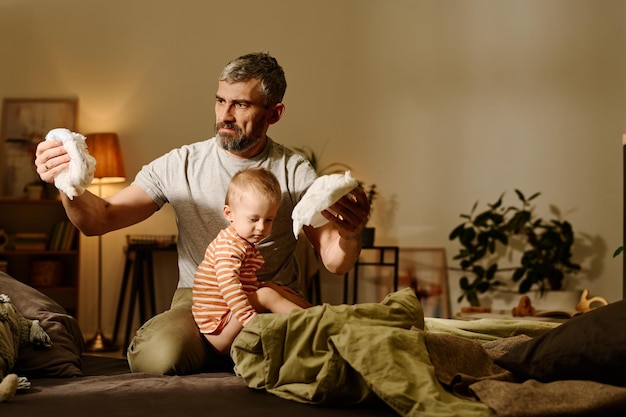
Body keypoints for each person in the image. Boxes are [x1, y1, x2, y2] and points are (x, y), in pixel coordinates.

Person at [34, 52, 370, 375]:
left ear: (274, 114)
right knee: (160, 355)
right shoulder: (180, 164)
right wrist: (66, 181)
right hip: (201, 298)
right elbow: (99, 220)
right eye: (220, 100)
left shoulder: (295, 171)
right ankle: (229, 348)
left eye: (241, 104)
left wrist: (351, 233)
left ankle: (244, 348)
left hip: (271, 296)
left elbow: (334, 260)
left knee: (315, 357)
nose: (224, 114)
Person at [193, 167, 304, 355]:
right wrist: (251, 321)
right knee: (267, 294)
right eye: (254, 219)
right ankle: (311, 323)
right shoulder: (228, 247)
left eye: (269, 220)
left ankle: (314, 312)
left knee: (270, 287)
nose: (261, 228)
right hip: (218, 332)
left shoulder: (241, 241)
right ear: (229, 214)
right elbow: (229, 286)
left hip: (228, 319)